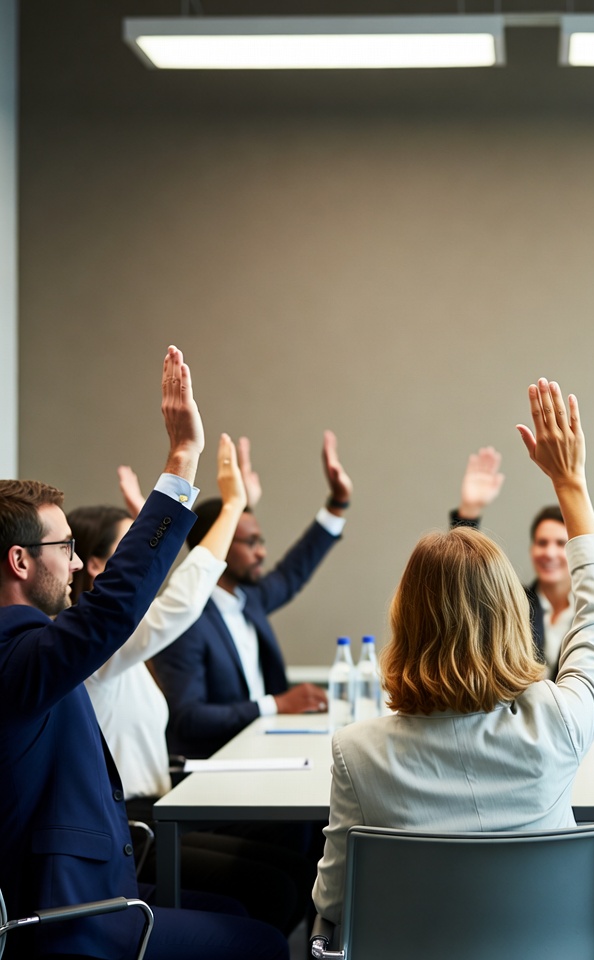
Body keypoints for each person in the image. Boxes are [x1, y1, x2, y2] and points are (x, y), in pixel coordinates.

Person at [0, 347, 288, 960]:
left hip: (95, 890)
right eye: (66, 548)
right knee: (261, 941)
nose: (77, 564)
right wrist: (182, 459)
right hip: (75, 922)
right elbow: (117, 608)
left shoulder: (31, 649)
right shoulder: (18, 654)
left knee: (247, 913)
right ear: (21, 561)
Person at [313, 378, 594, 925]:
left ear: (405, 625)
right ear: (511, 618)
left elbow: (333, 908)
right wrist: (571, 484)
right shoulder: (558, 721)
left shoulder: (355, 752)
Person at [71, 435, 310, 936]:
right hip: (134, 826)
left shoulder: (117, 641)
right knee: (274, 886)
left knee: (292, 853)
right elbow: (179, 604)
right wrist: (230, 506)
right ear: (95, 567)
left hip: (161, 804)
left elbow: (166, 597)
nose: (145, 563)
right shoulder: (92, 646)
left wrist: (162, 525)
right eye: (130, 549)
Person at [151, 430, 352, 759]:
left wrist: (337, 504)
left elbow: (293, 571)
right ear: (219, 544)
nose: (262, 553)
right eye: (251, 543)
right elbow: (188, 718)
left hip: (266, 751)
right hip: (216, 768)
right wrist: (275, 704)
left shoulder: (249, 600)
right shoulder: (185, 620)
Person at [449, 446, 594, 688]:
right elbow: (469, 583)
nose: (549, 552)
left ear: (576, 552)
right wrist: (468, 515)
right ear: (531, 549)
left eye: (560, 544)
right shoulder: (512, 602)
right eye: (542, 543)